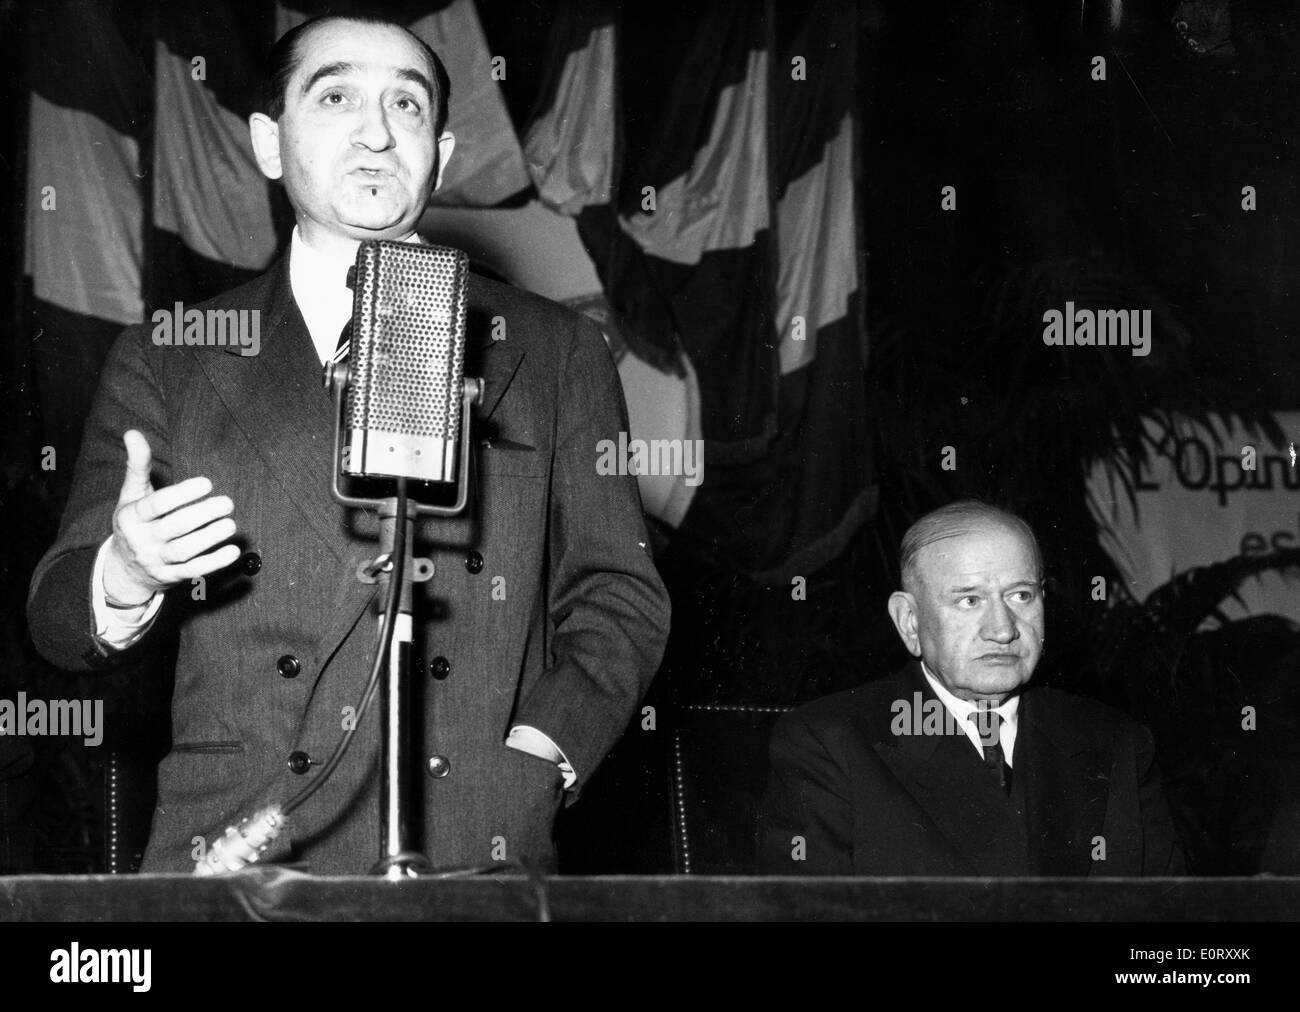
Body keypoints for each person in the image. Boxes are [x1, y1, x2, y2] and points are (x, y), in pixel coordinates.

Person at [27, 15, 670, 874]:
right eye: (336, 97)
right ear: (266, 142)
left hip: (474, 848)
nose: (376, 131)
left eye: (406, 105)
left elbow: (618, 594)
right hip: (237, 852)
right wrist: (125, 570)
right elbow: (58, 617)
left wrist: (543, 754)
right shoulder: (172, 351)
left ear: (439, 156)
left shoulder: (556, 351)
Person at [758, 500, 1185, 876]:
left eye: (1020, 596)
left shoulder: (1115, 742)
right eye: (969, 600)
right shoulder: (830, 744)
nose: (1002, 630)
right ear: (910, 622)